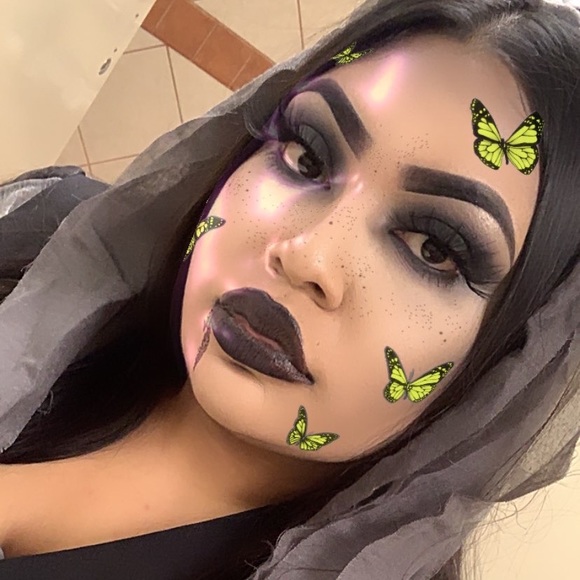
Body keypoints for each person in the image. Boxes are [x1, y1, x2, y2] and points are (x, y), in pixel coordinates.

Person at [0, 0, 578, 578]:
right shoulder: (35, 242)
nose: (306, 254)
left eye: (434, 248)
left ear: (508, 362)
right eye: (306, 157)